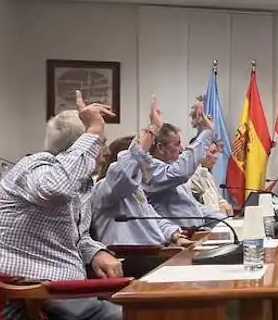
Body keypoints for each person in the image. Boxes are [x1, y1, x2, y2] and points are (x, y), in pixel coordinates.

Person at [0, 92, 125, 320]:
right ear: (78, 147)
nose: (103, 151)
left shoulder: (80, 185)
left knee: (146, 313)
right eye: (99, 143)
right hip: (29, 297)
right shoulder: (35, 166)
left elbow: (76, 237)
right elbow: (55, 189)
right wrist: (92, 130)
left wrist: (95, 253)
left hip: (66, 293)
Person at [87, 106, 194, 252]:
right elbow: (123, 174)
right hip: (132, 257)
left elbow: (154, 219)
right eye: (143, 158)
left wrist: (175, 235)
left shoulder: (136, 190)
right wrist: (150, 133)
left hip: (155, 252)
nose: (148, 161)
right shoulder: (104, 190)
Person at [144, 97, 220, 227]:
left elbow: (194, 209)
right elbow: (181, 172)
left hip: (195, 234)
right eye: (177, 144)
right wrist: (207, 132)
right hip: (174, 239)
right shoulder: (149, 169)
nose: (181, 149)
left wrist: (226, 221)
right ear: (161, 147)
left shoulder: (172, 169)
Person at [189, 141, 233, 216]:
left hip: (218, 220)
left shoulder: (208, 174)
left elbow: (216, 197)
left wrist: (224, 203)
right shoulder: (190, 174)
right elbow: (200, 189)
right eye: (212, 152)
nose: (216, 156)